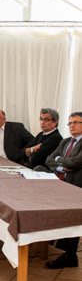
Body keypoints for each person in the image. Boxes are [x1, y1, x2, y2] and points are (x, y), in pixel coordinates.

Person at [43, 112, 82, 269]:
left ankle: (70, 256)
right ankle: (53, 243)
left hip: (75, 186)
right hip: (59, 182)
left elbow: (77, 161)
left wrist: (61, 161)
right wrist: (62, 165)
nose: (72, 125)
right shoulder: (65, 142)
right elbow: (49, 159)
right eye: (70, 123)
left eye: (77, 122)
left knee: (70, 217)